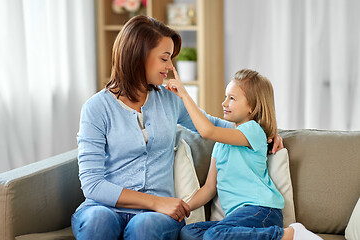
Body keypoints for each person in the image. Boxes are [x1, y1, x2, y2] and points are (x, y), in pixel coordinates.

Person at [71, 15, 283, 240]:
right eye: (165, 58)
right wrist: (157, 202)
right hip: (105, 207)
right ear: (138, 56)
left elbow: (216, 126)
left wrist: (267, 132)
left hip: (154, 216)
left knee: (145, 228)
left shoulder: (170, 101)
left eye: (171, 58)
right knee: (97, 222)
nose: (170, 66)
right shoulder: (96, 108)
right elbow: (93, 185)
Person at [166, 68, 323, 240]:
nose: (224, 103)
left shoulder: (253, 130)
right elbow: (210, 188)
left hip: (261, 211)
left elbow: (207, 131)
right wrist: (184, 208)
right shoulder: (221, 142)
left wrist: (184, 95)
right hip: (238, 219)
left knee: (214, 235)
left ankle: (290, 235)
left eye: (232, 98)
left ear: (252, 107)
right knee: (189, 232)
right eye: (226, 97)